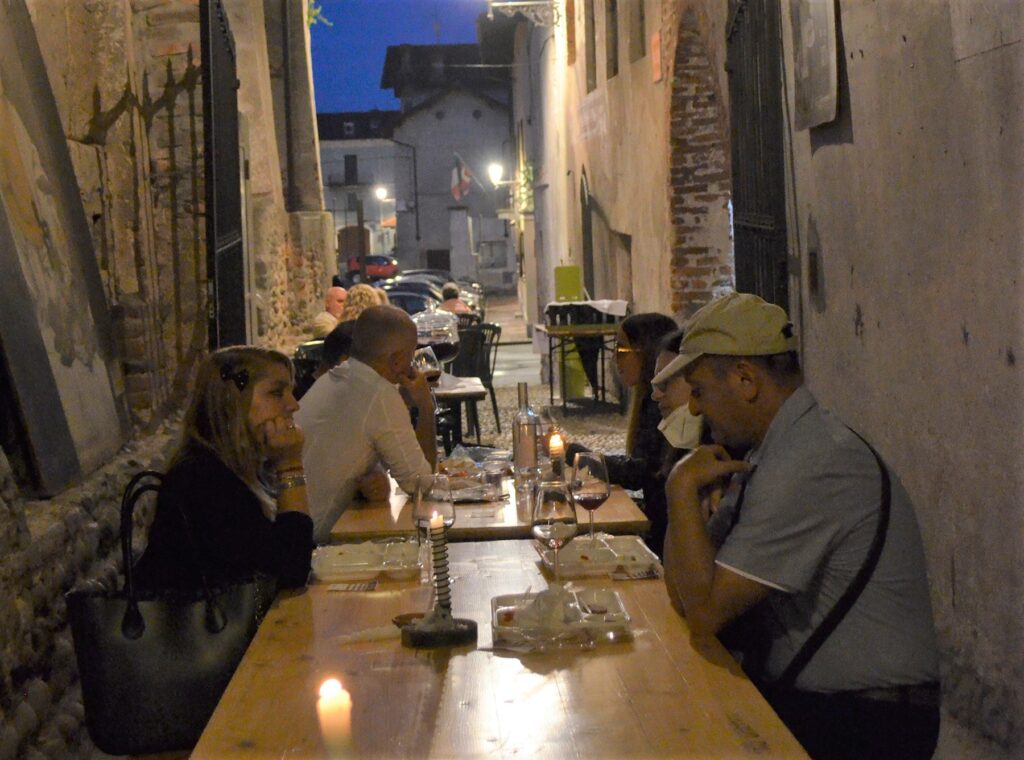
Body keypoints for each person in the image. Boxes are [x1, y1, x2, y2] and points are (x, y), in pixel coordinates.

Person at [660, 292, 940, 759]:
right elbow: (688, 591)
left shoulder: (811, 460)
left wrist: (678, 491)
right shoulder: (774, 452)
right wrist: (683, 492)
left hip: (867, 725)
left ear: (746, 379)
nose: (693, 409)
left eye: (700, 390)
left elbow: (705, 611)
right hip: (823, 706)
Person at [134, 347, 314, 591]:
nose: (293, 405)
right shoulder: (204, 478)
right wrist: (290, 466)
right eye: (276, 392)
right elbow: (290, 570)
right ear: (232, 401)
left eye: (290, 392)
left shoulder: (240, 466)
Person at [296, 305, 436, 543]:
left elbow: (355, 446)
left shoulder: (332, 379)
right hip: (314, 544)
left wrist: (376, 475)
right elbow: (421, 485)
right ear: (396, 361)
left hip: (294, 526)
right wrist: (425, 406)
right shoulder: (380, 394)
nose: (413, 365)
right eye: (411, 356)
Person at [565, 313, 680, 557]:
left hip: (664, 539)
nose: (615, 360)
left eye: (621, 350)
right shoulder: (645, 399)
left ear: (646, 353)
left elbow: (641, 472)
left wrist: (580, 457)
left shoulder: (661, 405)